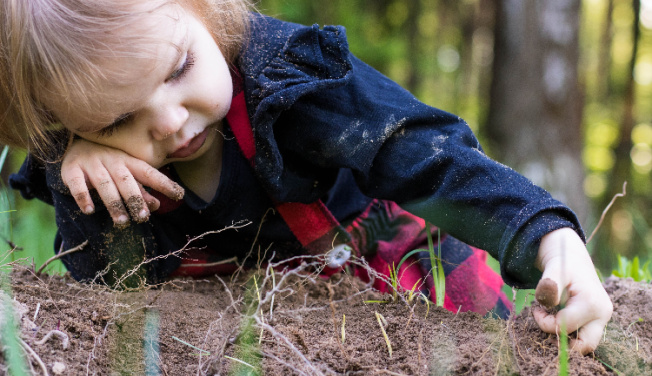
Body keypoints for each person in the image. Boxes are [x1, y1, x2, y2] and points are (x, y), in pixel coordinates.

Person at [1, 0, 611, 354]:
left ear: (204, 11)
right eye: (117, 120)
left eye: (179, 68)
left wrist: (545, 234)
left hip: (375, 254)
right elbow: (104, 302)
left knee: (482, 340)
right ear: (63, 124)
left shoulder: (291, 81)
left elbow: (424, 152)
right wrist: (76, 177)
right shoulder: (80, 159)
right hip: (241, 319)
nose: (168, 121)